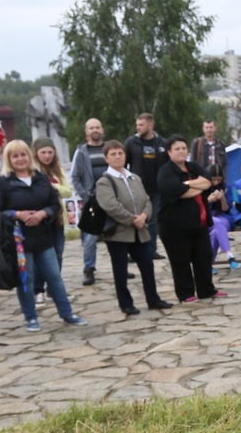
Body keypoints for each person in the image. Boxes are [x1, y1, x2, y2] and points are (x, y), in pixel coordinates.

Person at [0, 140, 87, 331]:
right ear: (9, 159)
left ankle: (67, 314)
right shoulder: (2, 182)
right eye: (15, 156)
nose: (20, 159)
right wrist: (17, 214)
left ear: (29, 156)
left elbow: (54, 203)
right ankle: (31, 317)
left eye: (23, 154)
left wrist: (43, 213)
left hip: (42, 236)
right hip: (18, 240)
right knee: (27, 279)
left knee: (54, 276)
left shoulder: (40, 178)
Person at [94, 140, 173, 315]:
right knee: (121, 270)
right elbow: (110, 205)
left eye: (120, 153)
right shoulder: (105, 181)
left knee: (147, 266)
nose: (117, 157)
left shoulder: (134, 177)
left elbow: (146, 200)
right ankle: (126, 303)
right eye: (113, 154)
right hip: (119, 233)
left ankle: (153, 299)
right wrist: (132, 219)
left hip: (139, 230)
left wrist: (144, 216)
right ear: (106, 158)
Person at [156, 135, 227, 302]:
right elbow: (175, 190)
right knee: (181, 261)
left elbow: (208, 182)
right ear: (169, 152)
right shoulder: (165, 172)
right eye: (177, 149)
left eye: (183, 148)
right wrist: (196, 186)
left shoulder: (192, 167)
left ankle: (206, 290)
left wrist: (187, 185)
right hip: (175, 226)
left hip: (199, 223)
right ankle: (186, 293)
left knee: (203, 257)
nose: (181, 151)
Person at [31, 137, 72, 306]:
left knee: (58, 253)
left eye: (50, 152)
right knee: (40, 255)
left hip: (57, 218)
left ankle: (53, 289)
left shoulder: (57, 170)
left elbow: (67, 191)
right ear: (36, 153)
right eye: (43, 152)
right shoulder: (32, 170)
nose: (47, 156)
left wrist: (53, 187)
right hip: (40, 218)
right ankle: (38, 289)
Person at [125, 112, 168, 258]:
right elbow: (124, 164)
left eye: (141, 125)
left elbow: (168, 165)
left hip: (156, 188)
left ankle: (151, 249)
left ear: (150, 125)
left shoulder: (162, 143)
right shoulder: (131, 142)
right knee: (136, 219)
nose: (138, 128)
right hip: (137, 188)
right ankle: (134, 251)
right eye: (137, 125)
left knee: (153, 219)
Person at [70, 117, 108, 285]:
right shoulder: (81, 152)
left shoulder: (110, 149)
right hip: (92, 201)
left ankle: (121, 266)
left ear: (102, 130)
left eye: (97, 127)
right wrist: (85, 196)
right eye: (91, 128)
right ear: (86, 132)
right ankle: (89, 269)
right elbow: (75, 177)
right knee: (90, 238)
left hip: (111, 199)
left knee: (118, 235)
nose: (95, 130)